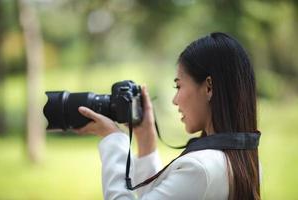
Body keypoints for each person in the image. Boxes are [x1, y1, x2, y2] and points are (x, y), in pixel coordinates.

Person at [74, 32, 261, 200]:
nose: (175, 100)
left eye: (178, 86)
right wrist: (146, 138)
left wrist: (113, 140)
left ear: (209, 87)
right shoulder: (246, 162)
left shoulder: (200, 169)